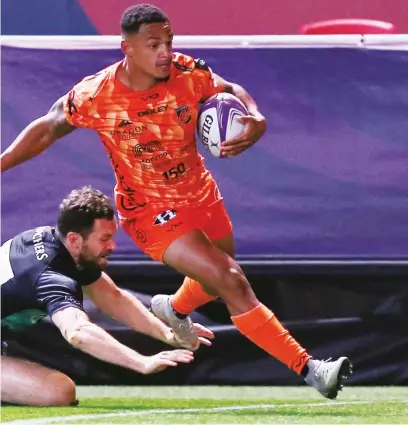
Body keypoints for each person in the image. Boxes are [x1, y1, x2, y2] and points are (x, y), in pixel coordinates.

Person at [0, 4, 352, 399]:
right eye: (154, 45)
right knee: (231, 279)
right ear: (127, 49)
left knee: (214, 281)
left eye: (168, 42)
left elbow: (230, 90)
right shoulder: (97, 95)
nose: (165, 52)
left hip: (201, 194)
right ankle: (310, 367)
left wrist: (256, 118)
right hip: (149, 211)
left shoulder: (188, 73)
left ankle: (175, 308)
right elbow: (47, 128)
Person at [0, 186, 214, 406]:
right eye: (105, 238)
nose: (112, 245)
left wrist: (168, 334)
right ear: (75, 239)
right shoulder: (50, 275)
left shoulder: (55, 243)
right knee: (58, 392)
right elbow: (78, 332)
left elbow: (113, 298)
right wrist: (142, 362)